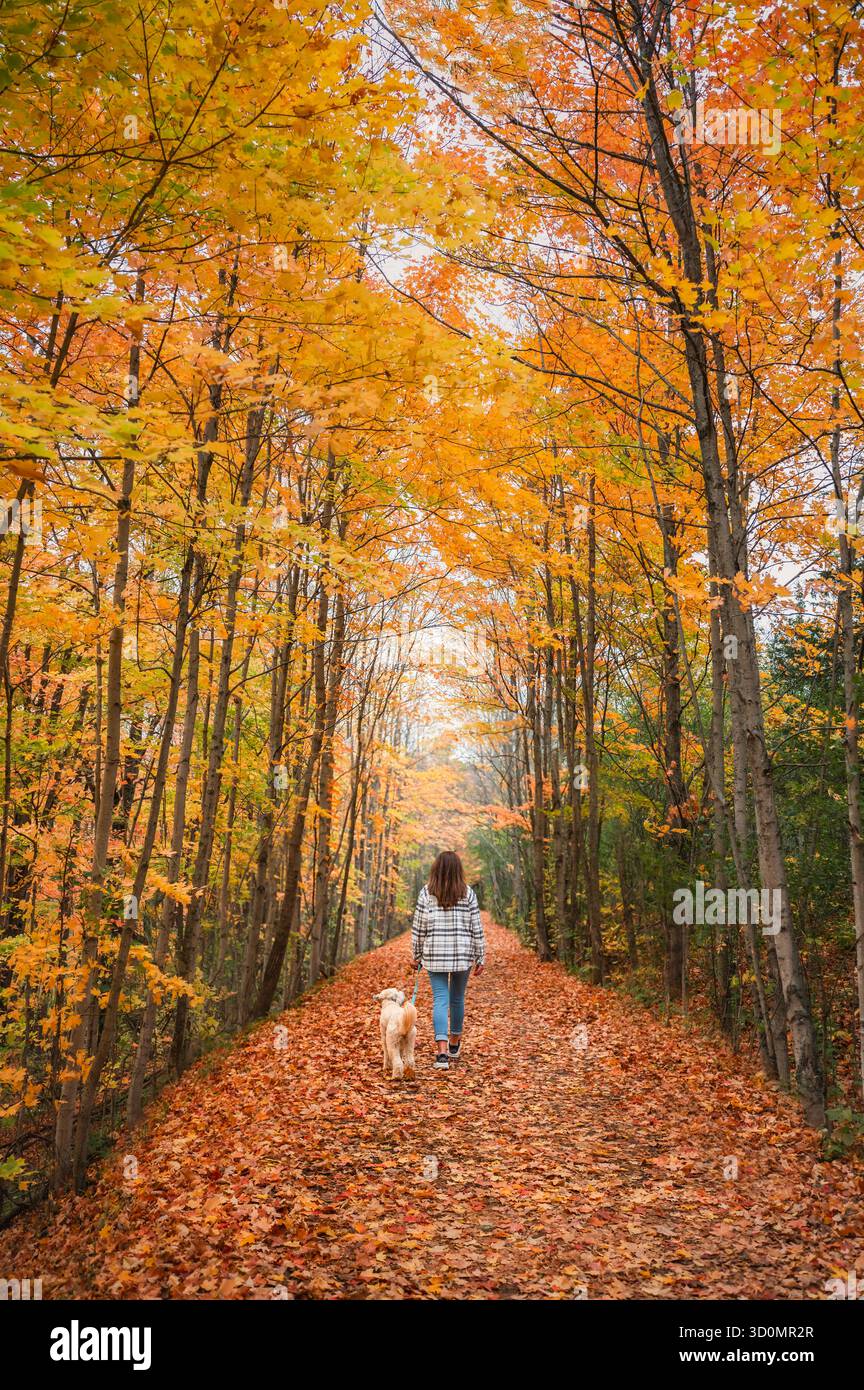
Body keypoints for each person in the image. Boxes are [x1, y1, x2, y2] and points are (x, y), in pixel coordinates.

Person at [411, 850, 485, 1071]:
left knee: (440, 999)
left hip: (435, 954)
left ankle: (441, 1053)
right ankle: (454, 1043)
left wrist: (415, 955)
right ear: (458, 870)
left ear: (436, 868)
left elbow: (418, 928)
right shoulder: (468, 893)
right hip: (462, 955)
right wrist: (480, 956)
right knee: (457, 998)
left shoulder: (426, 893)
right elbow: (476, 928)